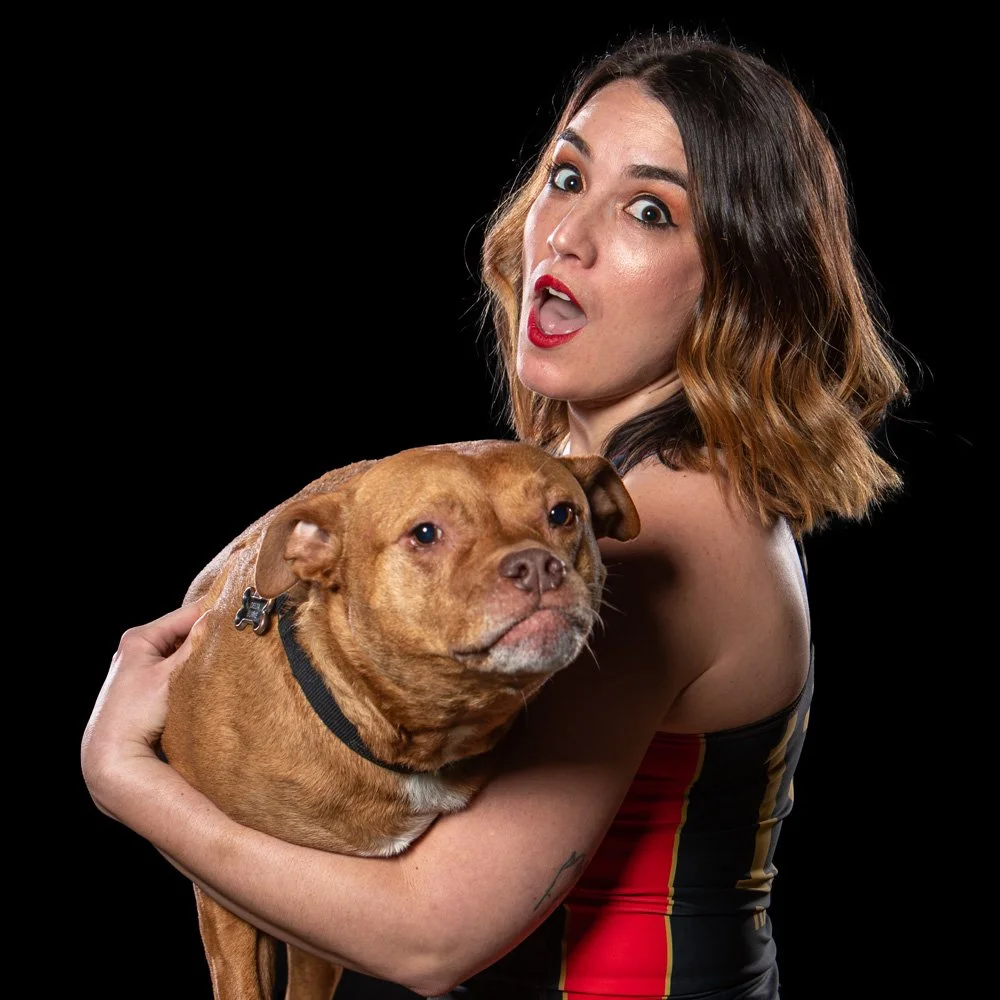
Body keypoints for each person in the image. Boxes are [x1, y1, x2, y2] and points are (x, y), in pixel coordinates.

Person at [81, 30, 908, 1000]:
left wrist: (127, 778)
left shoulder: (675, 520)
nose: (566, 235)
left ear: (739, 279)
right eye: (565, 177)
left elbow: (431, 938)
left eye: (649, 210)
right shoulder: (564, 483)